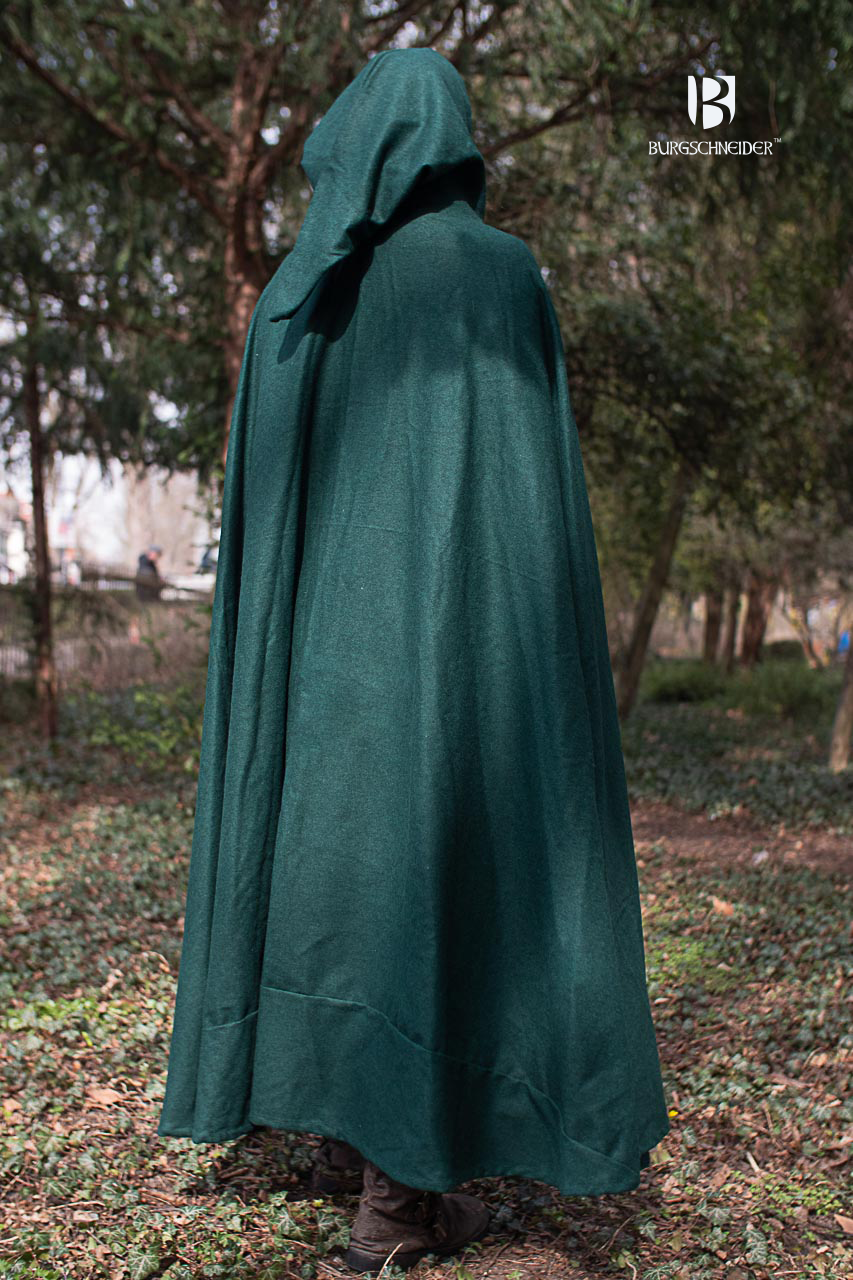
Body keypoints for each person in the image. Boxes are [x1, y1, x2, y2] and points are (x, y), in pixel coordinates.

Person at [156, 48, 670, 1274]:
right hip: (460, 664)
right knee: (436, 880)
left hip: (320, 679)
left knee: (339, 877)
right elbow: (525, 506)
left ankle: (348, 1133)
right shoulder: (494, 274)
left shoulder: (299, 291)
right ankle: (396, 1202)